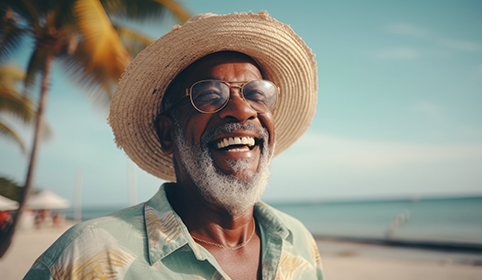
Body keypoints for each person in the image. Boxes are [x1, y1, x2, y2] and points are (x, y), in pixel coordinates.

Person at [24, 11, 321, 280]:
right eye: (208, 95)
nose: (243, 110)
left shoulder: (299, 242)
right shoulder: (88, 257)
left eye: (256, 93)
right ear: (168, 134)